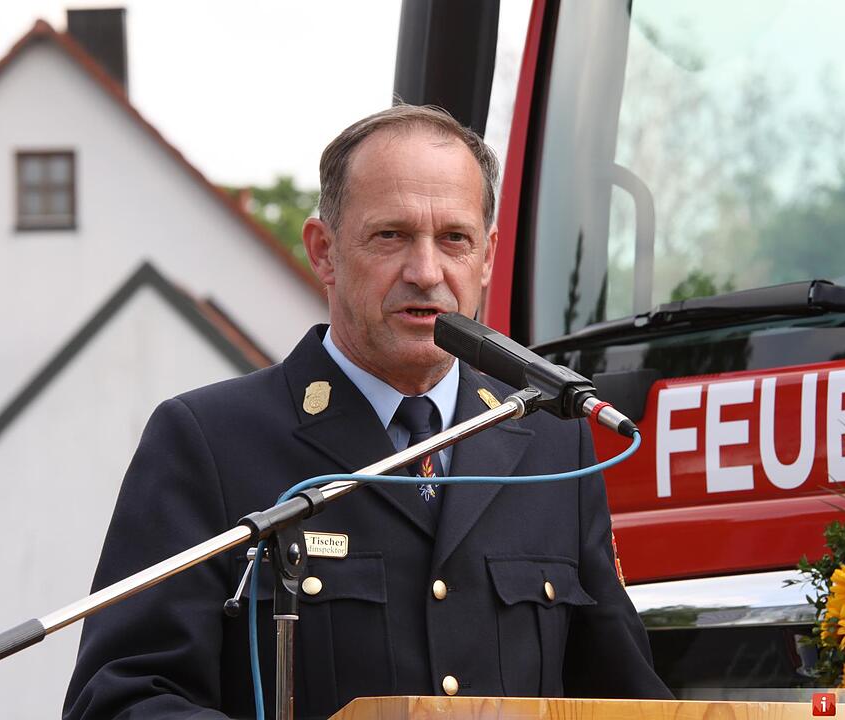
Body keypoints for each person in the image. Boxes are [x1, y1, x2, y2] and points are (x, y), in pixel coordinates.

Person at [63, 105, 670, 720]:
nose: (426, 272)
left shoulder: (550, 441)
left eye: (454, 239)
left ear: (487, 256)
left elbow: (625, 697)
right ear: (324, 251)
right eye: (391, 236)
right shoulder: (210, 442)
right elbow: (118, 700)